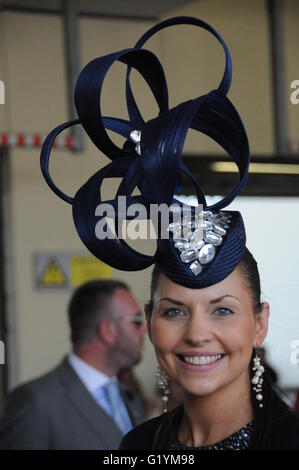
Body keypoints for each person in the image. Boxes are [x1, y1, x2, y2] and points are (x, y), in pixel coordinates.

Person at [40, 16, 299, 450]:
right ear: (149, 322)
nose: (197, 334)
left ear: (260, 323)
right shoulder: (136, 448)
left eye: (222, 310)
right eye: (175, 311)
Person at [0, 280, 146, 450]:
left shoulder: (129, 396)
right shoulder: (35, 403)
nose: (144, 329)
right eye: (136, 320)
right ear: (108, 331)